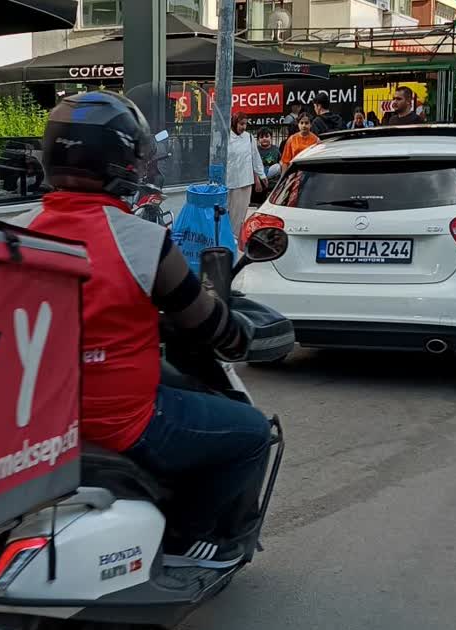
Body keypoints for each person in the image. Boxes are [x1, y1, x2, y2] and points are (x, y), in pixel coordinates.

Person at [15, 91, 272, 569]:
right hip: (124, 422)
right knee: (253, 432)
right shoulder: (142, 241)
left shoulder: (20, 235)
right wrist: (241, 334)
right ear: (120, 159)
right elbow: (209, 324)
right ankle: (189, 543)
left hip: (46, 420)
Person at [227, 112, 267, 243]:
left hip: (245, 181)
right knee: (229, 211)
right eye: (241, 124)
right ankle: (227, 236)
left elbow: (255, 157)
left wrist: (261, 175)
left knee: (240, 213)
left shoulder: (249, 137)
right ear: (234, 122)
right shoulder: (226, 137)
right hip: (230, 181)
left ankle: (236, 237)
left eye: (245, 124)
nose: (243, 127)